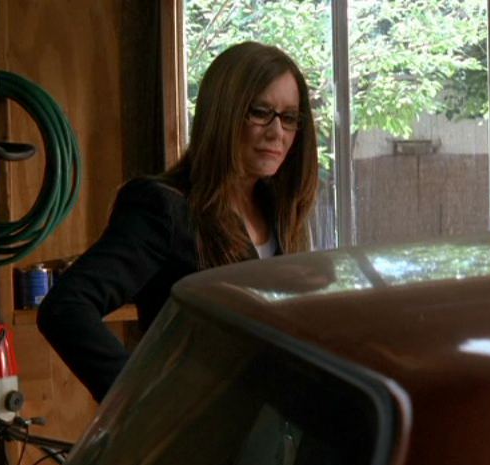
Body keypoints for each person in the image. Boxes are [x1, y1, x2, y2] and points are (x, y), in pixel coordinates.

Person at [37, 42, 319, 402]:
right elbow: (67, 307)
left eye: (290, 117)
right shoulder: (163, 208)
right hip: (197, 431)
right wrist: (143, 404)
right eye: (260, 112)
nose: (277, 132)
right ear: (223, 113)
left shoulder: (283, 214)